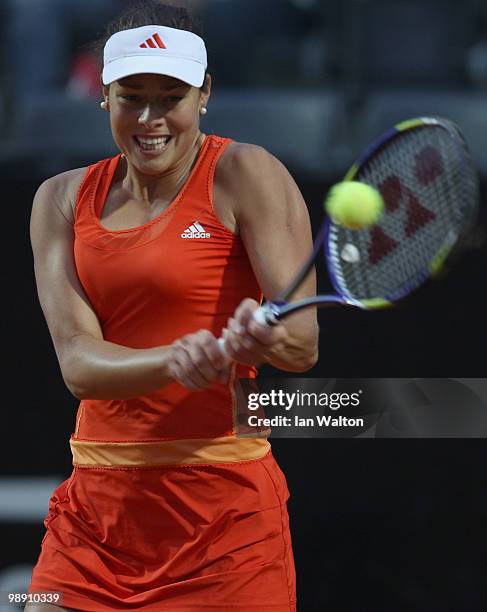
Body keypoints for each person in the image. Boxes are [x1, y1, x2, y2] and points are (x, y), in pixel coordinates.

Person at [26, 2, 318, 610]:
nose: (151, 118)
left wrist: (259, 338)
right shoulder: (58, 199)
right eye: (132, 96)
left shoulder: (248, 173)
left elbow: (302, 345)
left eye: (171, 96)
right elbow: (78, 366)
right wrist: (175, 359)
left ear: (204, 94)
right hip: (91, 525)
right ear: (103, 95)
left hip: (226, 523)